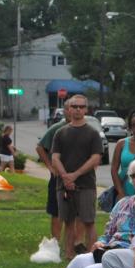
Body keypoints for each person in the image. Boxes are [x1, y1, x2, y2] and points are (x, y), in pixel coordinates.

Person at [50, 94, 102, 258]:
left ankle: (91, 254)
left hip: (86, 184)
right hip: (63, 186)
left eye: (81, 107)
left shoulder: (93, 133)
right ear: (69, 109)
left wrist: (75, 175)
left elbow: (95, 158)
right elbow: (55, 157)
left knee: (88, 221)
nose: (78, 110)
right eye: (74, 106)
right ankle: (69, 254)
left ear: (86, 109)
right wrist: (65, 177)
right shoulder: (60, 133)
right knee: (68, 221)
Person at [32, 98, 74, 263]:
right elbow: (40, 147)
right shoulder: (57, 128)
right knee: (57, 212)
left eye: (77, 108)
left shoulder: (84, 128)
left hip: (77, 177)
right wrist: (49, 166)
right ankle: (55, 243)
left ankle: (73, 245)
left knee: (76, 214)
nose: (73, 111)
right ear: (65, 111)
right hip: (58, 179)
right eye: (70, 108)